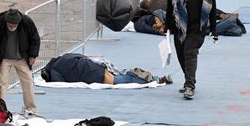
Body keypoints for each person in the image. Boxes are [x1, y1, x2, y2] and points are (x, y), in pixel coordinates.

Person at [166, 0, 218, 100]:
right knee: (181, 55)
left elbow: (212, 7)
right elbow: (170, 5)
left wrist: (214, 29)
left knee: (190, 53)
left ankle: (190, 86)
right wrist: (168, 24)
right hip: (180, 27)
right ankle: (188, 79)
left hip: (197, 28)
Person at [0, 9, 40, 114]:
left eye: (14, 24)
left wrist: (33, 55)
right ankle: (0, 110)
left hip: (22, 58)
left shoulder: (27, 22)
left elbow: (35, 39)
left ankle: (31, 109)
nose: (12, 26)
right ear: (6, 21)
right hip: (4, 59)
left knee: (28, 82)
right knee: (1, 84)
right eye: (10, 24)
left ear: (19, 22)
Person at [40, 53, 173, 85]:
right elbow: (79, 56)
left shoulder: (55, 74)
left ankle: (153, 80)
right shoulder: (60, 59)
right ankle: (151, 78)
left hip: (90, 74)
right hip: (92, 65)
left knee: (118, 80)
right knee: (117, 74)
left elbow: (60, 82)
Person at [134, 9, 246, 37]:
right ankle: (234, 26)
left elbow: (157, 17)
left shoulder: (145, 20)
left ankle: (231, 21)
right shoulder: (144, 20)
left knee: (208, 29)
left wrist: (158, 29)